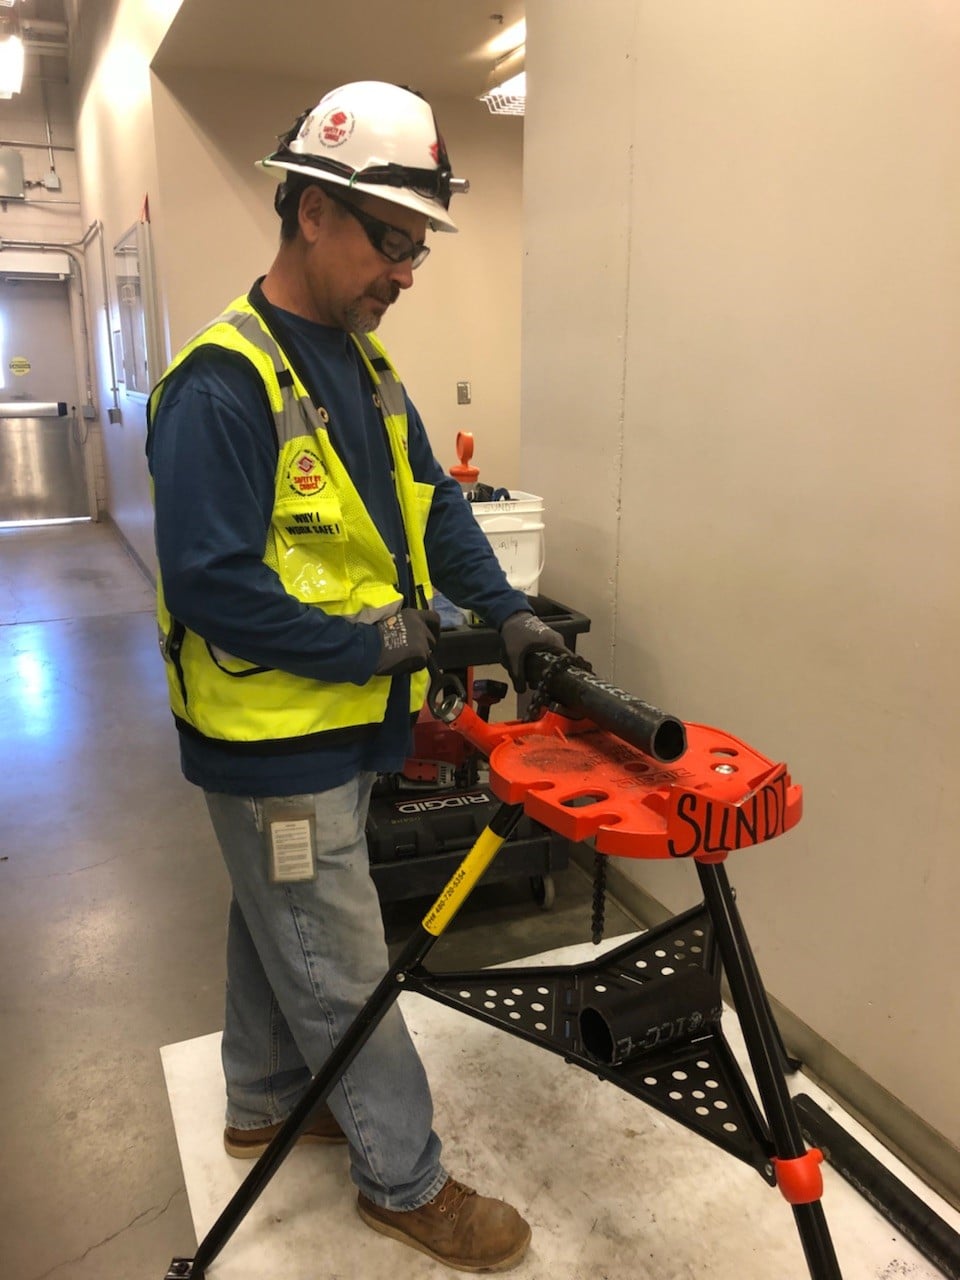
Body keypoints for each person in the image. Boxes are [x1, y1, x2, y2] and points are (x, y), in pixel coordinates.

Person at [146, 80, 572, 1273]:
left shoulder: (365, 366)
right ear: (314, 211)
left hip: (336, 726)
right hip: (274, 734)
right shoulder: (219, 385)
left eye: (418, 245)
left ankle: (265, 1096)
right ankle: (405, 1176)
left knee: (273, 913)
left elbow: (435, 506)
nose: (407, 269)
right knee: (333, 948)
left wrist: (508, 612)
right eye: (394, 239)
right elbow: (214, 584)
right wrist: (374, 646)